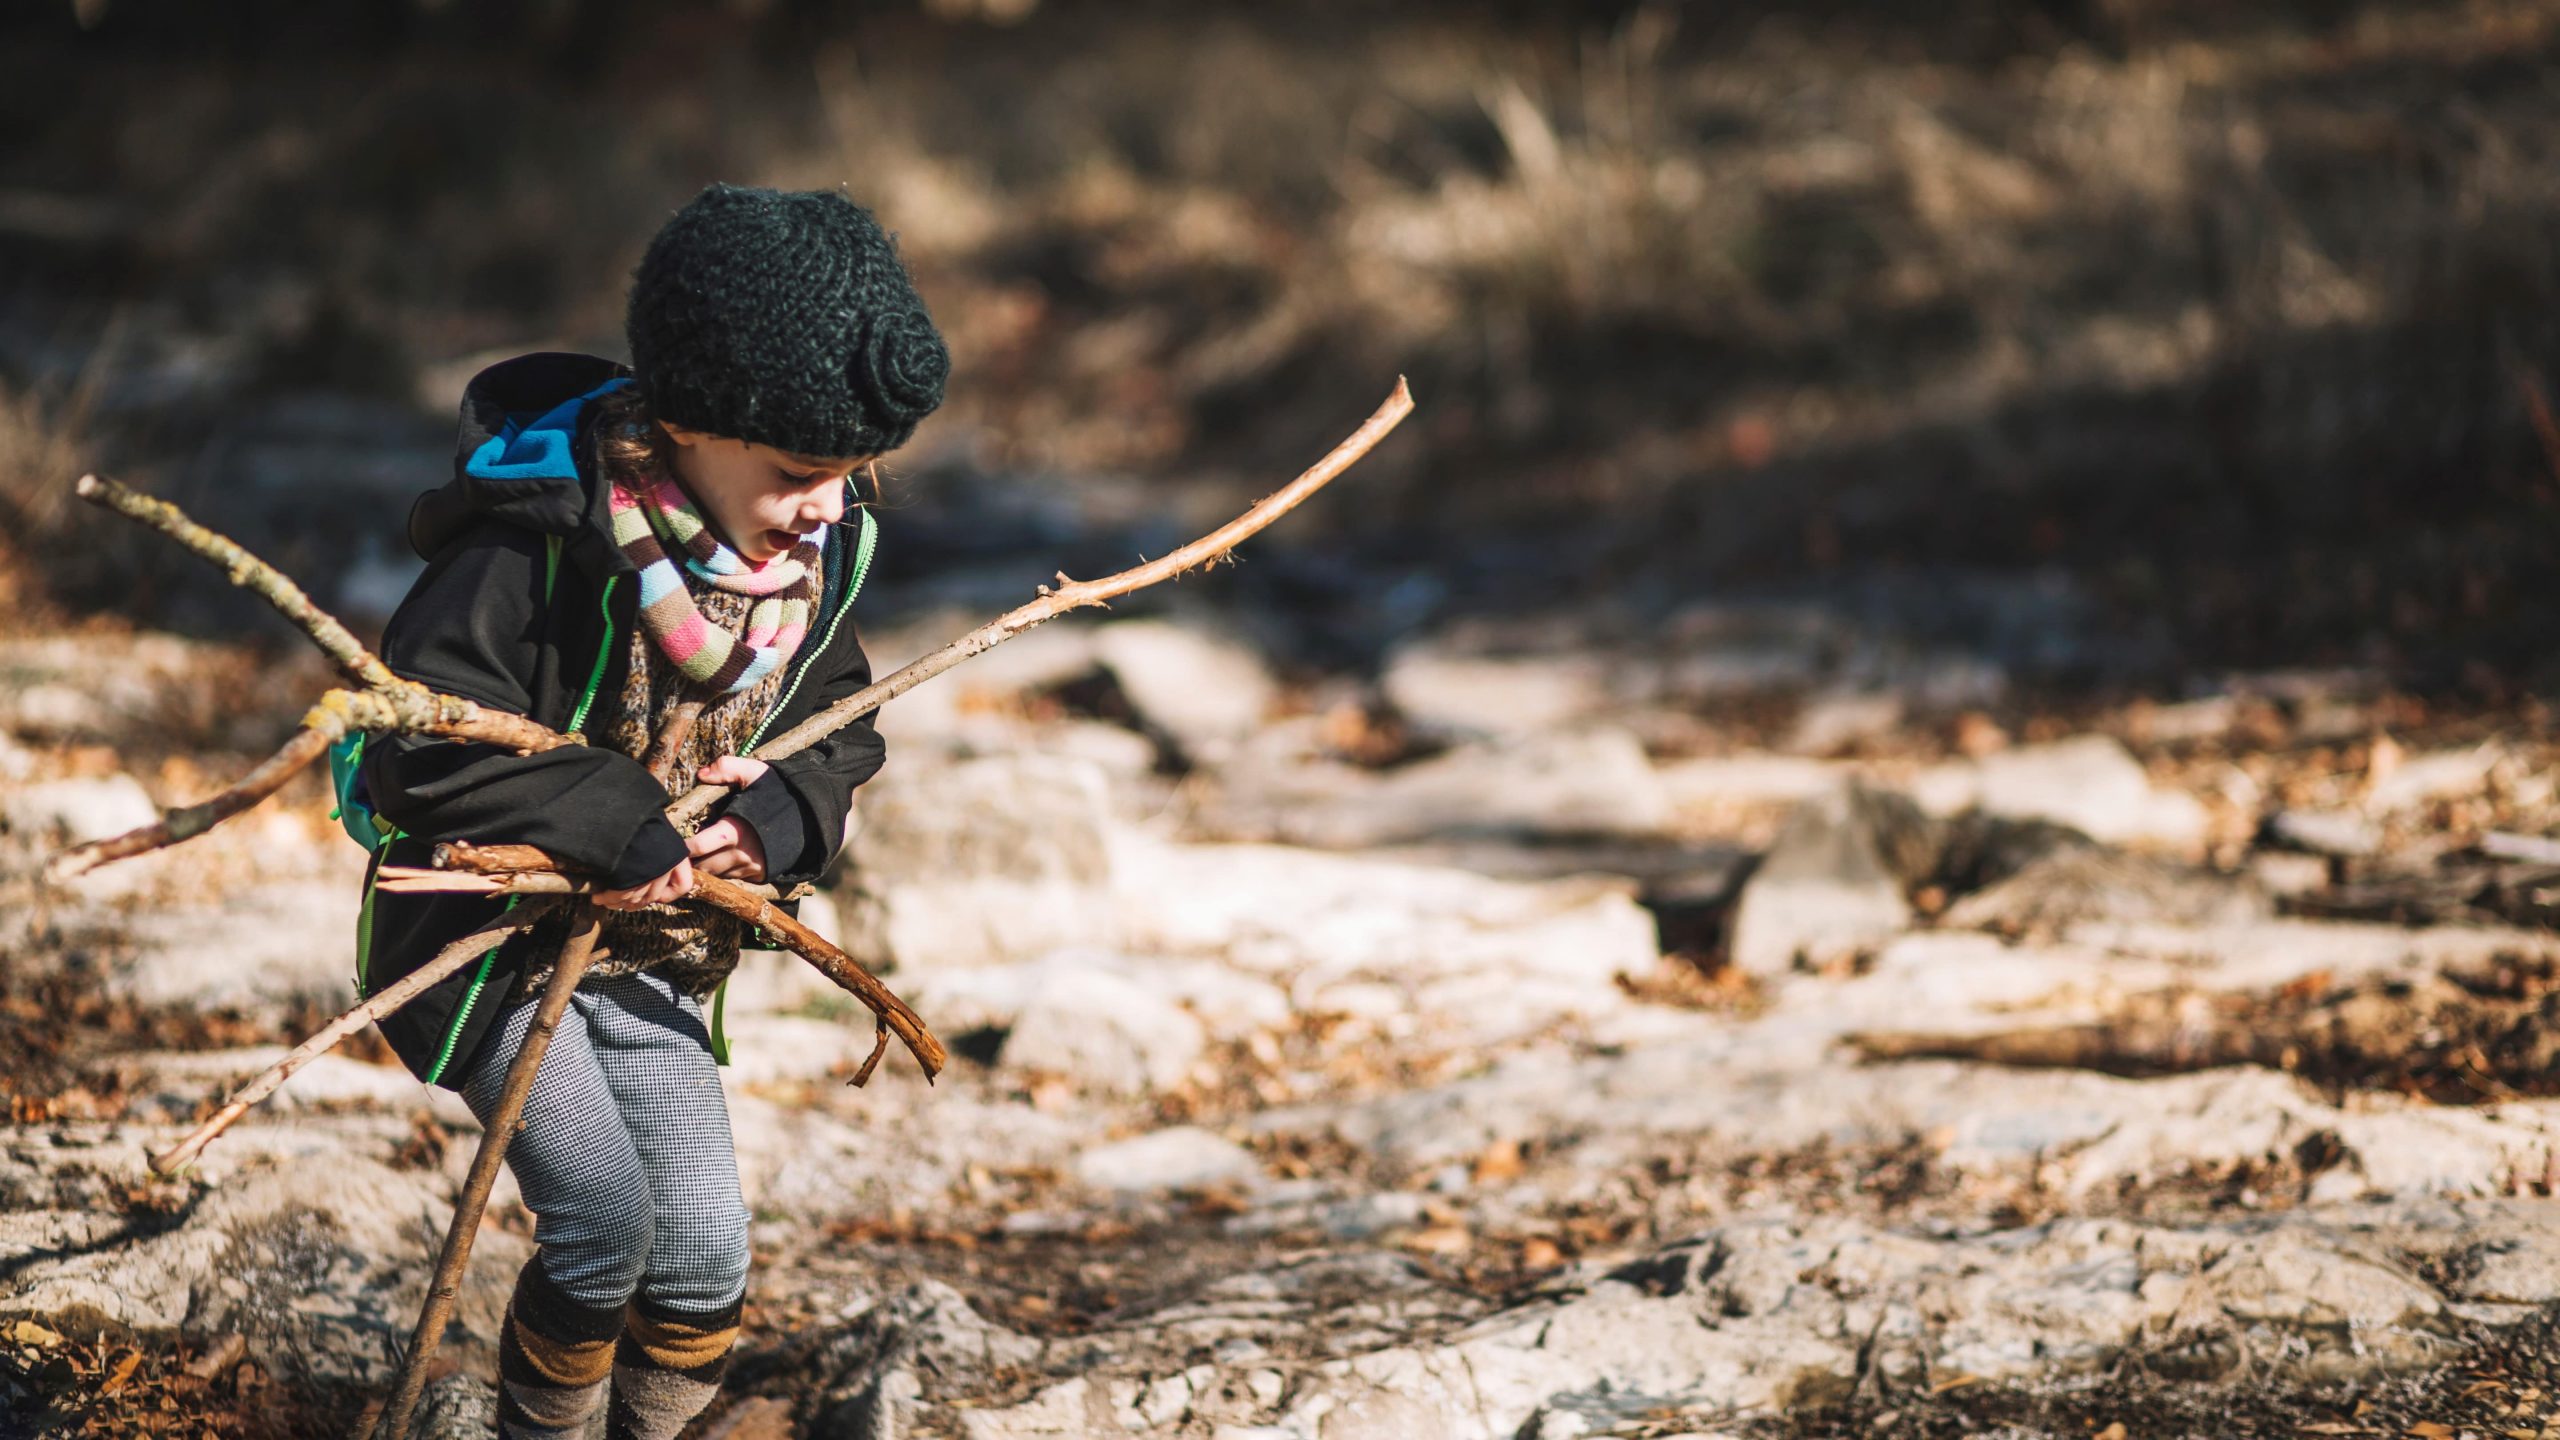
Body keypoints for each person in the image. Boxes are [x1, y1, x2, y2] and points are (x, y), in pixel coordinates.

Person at [355, 182, 948, 1440]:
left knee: (700, 1262)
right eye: (800, 474)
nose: (829, 508)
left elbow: (839, 716)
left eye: (853, 475)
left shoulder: (814, 550)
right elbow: (418, 742)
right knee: (602, 1224)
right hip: (490, 944)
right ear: (688, 425)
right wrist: (607, 816)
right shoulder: (533, 541)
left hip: (660, 951)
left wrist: (781, 815)